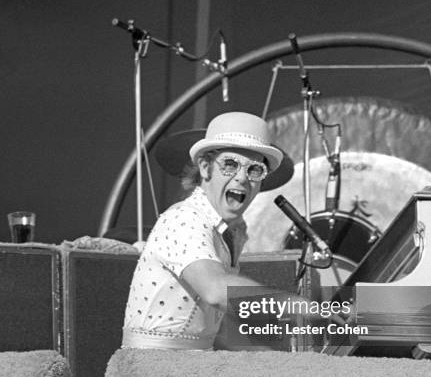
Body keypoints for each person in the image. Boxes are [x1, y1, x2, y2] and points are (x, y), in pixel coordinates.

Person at [122, 111, 333, 351]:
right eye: (230, 165)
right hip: (149, 371)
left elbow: (218, 331)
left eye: (254, 169)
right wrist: (306, 308)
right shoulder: (184, 217)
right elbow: (215, 290)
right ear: (204, 167)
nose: (242, 178)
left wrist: (276, 359)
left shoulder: (233, 231)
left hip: (191, 368)